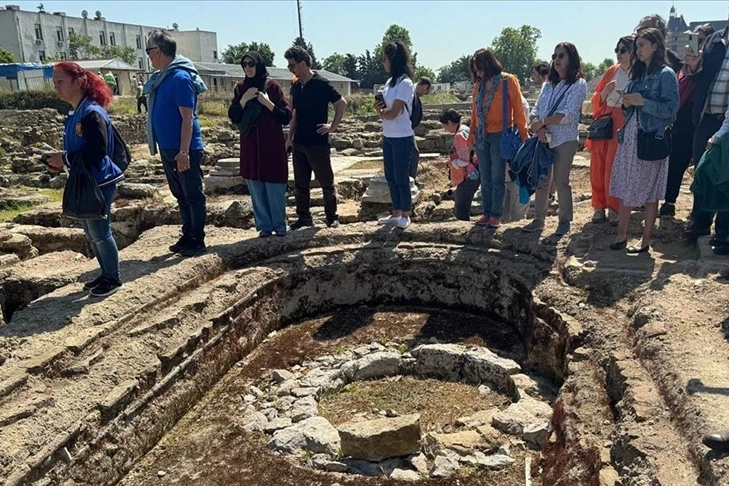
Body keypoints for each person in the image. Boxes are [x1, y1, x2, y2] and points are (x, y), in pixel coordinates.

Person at [46, 61, 125, 297]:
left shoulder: (91, 112)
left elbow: (97, 151)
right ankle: (105, 273)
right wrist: (58, 163)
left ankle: (113, 278)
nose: (56, 88)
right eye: (54, 83)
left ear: (78, 82)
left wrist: (66, 159)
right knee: (91, 234)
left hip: (99, 181)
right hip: (85, 180)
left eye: (60, 82)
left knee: (101, 232)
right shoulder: (74, 112)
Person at [609, 28, 679, 253]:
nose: (637, 50)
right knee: (626, 185)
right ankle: (622, 235)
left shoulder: (666, 74)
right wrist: (626, 103)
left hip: (650, 138)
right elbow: (628, 105)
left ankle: (645, 240)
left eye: (642, 45)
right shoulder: (637, 74)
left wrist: (643, 102)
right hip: (630, 136)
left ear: (655, 46)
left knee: (649, 192)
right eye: (637, 46)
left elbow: (671, 109)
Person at [145, 29, 208, 257]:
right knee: (179, 193)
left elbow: (187, 118)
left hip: (185, 147)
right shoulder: (162, 79)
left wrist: (184, 151)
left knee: (192, 193)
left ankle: (197, 238)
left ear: (159, 51)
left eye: (149, 50)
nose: (148, 55)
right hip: (169, 147)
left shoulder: (180, 78)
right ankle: (188, 233)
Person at [522, 42, 587, 236]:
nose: (556, 60)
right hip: (544, 138)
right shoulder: (548, 85)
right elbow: (536, 109)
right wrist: (538, 126)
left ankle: (564, 221)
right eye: (555, 56)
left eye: (561, 56)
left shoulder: (578, 84)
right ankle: (538, 220)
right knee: (542, 180)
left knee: (561, 181)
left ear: (571, 59)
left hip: (564, 139)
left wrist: (541, 122)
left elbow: (567, 113)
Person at [228, 52, 292, 237]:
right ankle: (264, 226)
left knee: (274, 185)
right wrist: (244, 99)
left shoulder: (272, 86)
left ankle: (279, 225)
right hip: (251, 146)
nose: (248, 68)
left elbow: (285, 116)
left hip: (271, 145)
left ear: (259, 65)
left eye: (251, 64)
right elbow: (234, 116)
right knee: (256, 186)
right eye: (245, 64)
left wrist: (267, 103)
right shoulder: (240, 88)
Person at [285, 46, 347, 230]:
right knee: (300, 184)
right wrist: (290, 138)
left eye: (292, 65)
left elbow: (341, 103)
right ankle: (304, 217)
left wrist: (333, 127)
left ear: (303, 63)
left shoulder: (321, 83)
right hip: (299, 142)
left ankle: (331, 217)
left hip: (318, 142)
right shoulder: (296, 86)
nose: (290, 69)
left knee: (326, 182)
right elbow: (294, 114)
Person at [467, 49, 529, 229]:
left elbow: (518, 110)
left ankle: (495, 214)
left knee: (497, 177)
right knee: (485, 177)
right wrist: (471, 136)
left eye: (479, 69)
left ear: (488, 64)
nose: (478, 73)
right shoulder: (478, 86)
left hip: (500, 135)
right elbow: (474, 114)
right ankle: (486, 213)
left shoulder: (508, 81)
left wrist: (524, 136)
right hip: (481, 135)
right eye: (475, 70)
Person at [683, 15, 729, 253]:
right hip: (706, 118)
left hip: (728, 123)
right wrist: (692, 64)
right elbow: (698, 78)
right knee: (702, 173)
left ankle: (723, 233)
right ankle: (699, 223)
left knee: (724, 177)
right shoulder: (714, 40)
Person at [660, 24, 714, 218]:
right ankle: (669, 201)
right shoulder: (683, 66)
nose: (696, 44)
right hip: (683, 119)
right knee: (676, 161)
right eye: (694, 39)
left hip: (703, 118)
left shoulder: (712, 64)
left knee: (702, 165)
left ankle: (699, 211)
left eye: (701, 40)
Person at [586, 34, 634, 225]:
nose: (619, 54)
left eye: (623, 50)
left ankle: (614, 207)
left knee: (614, 167)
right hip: (605, 121)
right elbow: (596, 99)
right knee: (597, 164)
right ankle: (598, 206)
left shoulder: (639, 73)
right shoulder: (611, 71)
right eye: (617, 50)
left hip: (624, 122)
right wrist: (603, 94)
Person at [375, 41, 416, 229]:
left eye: (385, 59)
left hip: (402, 136)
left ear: (394, 60)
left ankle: (406, 213)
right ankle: (396, 211)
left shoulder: (406, 83)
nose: (383, 63)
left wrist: (382, 113)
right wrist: (380, 110)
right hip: (389, 135)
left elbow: (394, 113)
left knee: (401, 176)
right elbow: (386, 112)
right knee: (390, 175)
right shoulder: (389, 83)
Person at [439, 108, 480, 221]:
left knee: (461, 208)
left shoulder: (459, 136)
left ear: (449, 123)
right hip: (476, 171)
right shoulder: (466, 129)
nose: (445, 129)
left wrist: (448, 164)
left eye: (445, 126)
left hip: (469, 175)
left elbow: (464, 160)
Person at [409, 76, 432, 181]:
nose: (425, 94)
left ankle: (410, 179)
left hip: (409, 129)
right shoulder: (410, 92)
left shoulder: (414, 94)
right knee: (413, 153)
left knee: (413, 153)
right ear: (424, 86)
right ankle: (410, 180)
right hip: (405, 128)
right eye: (426, 91)